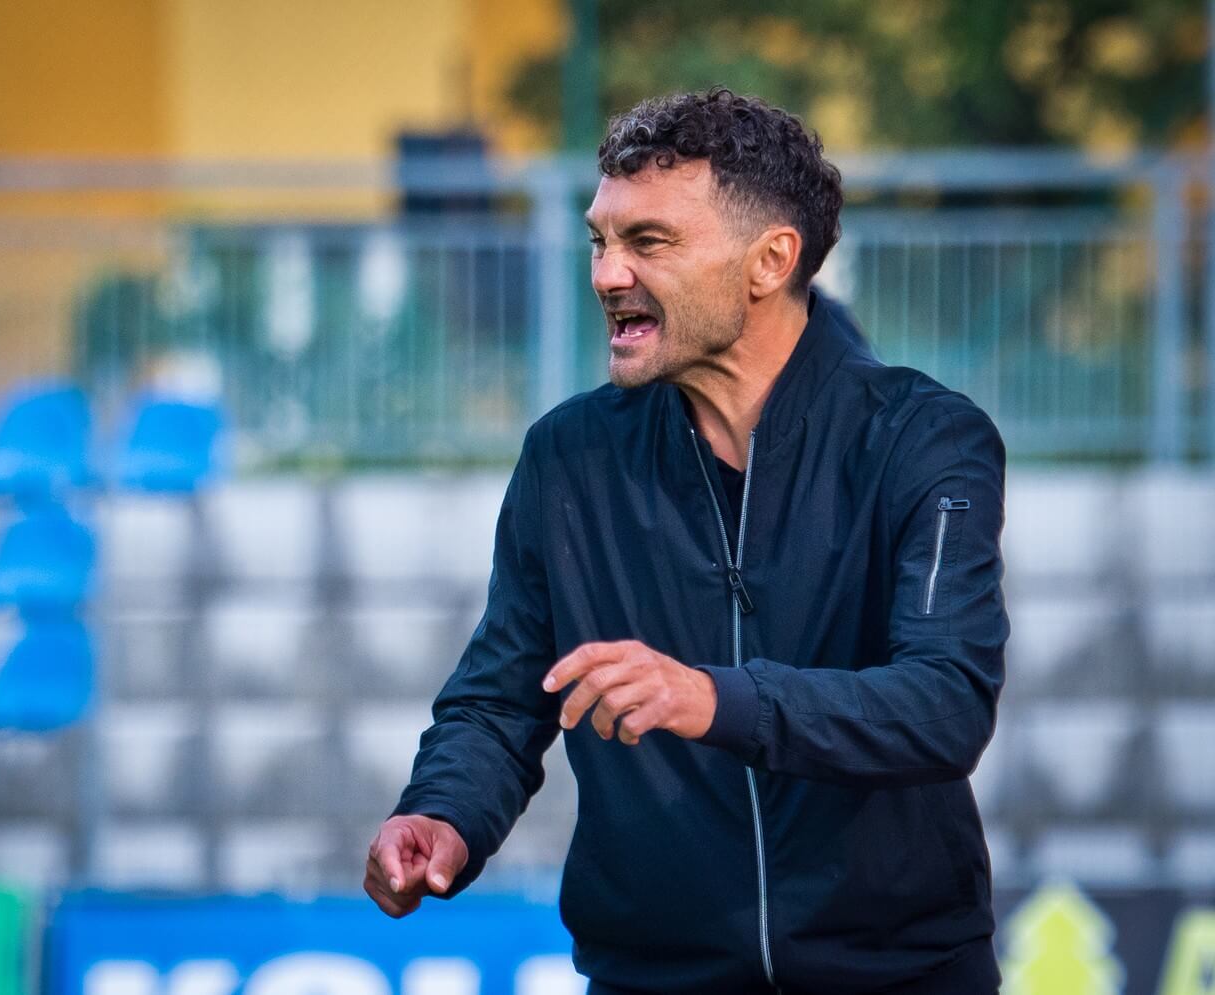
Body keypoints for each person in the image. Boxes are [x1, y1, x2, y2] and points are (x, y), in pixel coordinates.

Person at [363, 87, 1008, 995]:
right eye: (599, 240)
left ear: (770, 260)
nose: (606, 274)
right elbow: (501, 702)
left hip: (902, 977)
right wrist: (443, 814)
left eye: (649, 241)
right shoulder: (567, 457)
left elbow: (943, 704)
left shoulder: (925, 438)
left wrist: (712, 698)